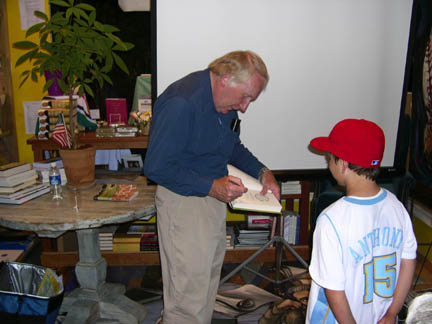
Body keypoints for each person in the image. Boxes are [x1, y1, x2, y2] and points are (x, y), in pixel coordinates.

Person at [143, 50, 280, 324]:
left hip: (211, 200)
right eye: (245, 97)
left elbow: (232, 147)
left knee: (204, 290)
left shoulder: (223, 105)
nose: (244, 107)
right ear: (225, 79)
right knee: (186, 301)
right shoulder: (181, 102)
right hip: (184, 203)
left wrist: (263, 172)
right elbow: (156, 167)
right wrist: (211, 187)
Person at [305, 119, 417, 324]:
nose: (328, 163)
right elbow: (408, 263)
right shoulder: (397, 207)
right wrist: (392, 313)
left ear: (343, 164)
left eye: (330, 158)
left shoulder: (331, 220)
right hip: (381, 317)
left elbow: (334, 290)